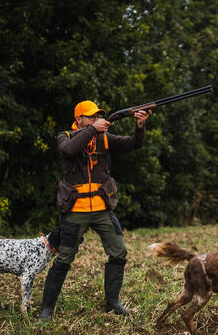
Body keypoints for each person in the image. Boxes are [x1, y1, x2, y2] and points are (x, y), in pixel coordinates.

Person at [38, 100, 152, 320]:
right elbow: (69, 151)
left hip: (102, 209)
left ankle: (112, 303)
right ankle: (47, 309)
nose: (95, 120)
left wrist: (140, 127)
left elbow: (133, 144)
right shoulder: (66, 137)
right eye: (90, 117)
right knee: (64, 257)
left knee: (119, 252)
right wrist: (92, 129)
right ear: (78, 119)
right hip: (75, 210)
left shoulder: (104, 139)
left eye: (97, 117)